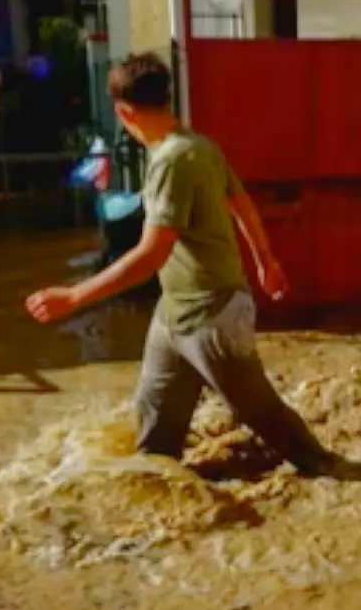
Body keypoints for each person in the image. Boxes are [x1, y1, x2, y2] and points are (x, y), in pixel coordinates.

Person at [24, 53, 330, 475]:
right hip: (174, 313)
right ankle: (161, 509)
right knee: (154, 438)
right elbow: (242, 205)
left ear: (123, 112)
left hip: (212, 316)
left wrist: (74, 296)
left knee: (269, 421)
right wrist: (266, 261)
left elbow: (152, 254)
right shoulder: (198, 146)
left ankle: (340, 475)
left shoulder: (172, 159)